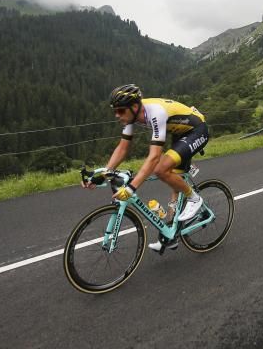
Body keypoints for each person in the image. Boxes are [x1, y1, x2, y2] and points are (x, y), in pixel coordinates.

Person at [85, 83, 210, 253]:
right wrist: (104, 174)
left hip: (197, 130)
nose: (117, 115)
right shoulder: (131, 115)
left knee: (160, 169)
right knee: (174, 178)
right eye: (114, 111)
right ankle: (170, 235)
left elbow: (154, 158)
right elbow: (122, 148)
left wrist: (131, 187)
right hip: (179, 133)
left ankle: (194, 198)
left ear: (135, 106)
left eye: (120, 111)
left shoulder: (155, 113)